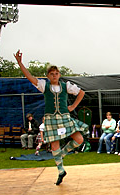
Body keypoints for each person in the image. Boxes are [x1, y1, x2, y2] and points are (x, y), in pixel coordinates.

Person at [14, 50, 88, 185]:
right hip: (51, 119)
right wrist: (20, 64)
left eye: (56, 74)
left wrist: (72, 107)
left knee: (79, 139)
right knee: (54, 144)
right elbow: (30, 77)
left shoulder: (66, 86)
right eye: (51, 74)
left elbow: (81, 93)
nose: (54, 76)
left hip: (65, 118)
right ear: (48, 76)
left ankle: (62, 155)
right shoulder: (44, 85)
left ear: (59, 75)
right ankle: (61, 171)